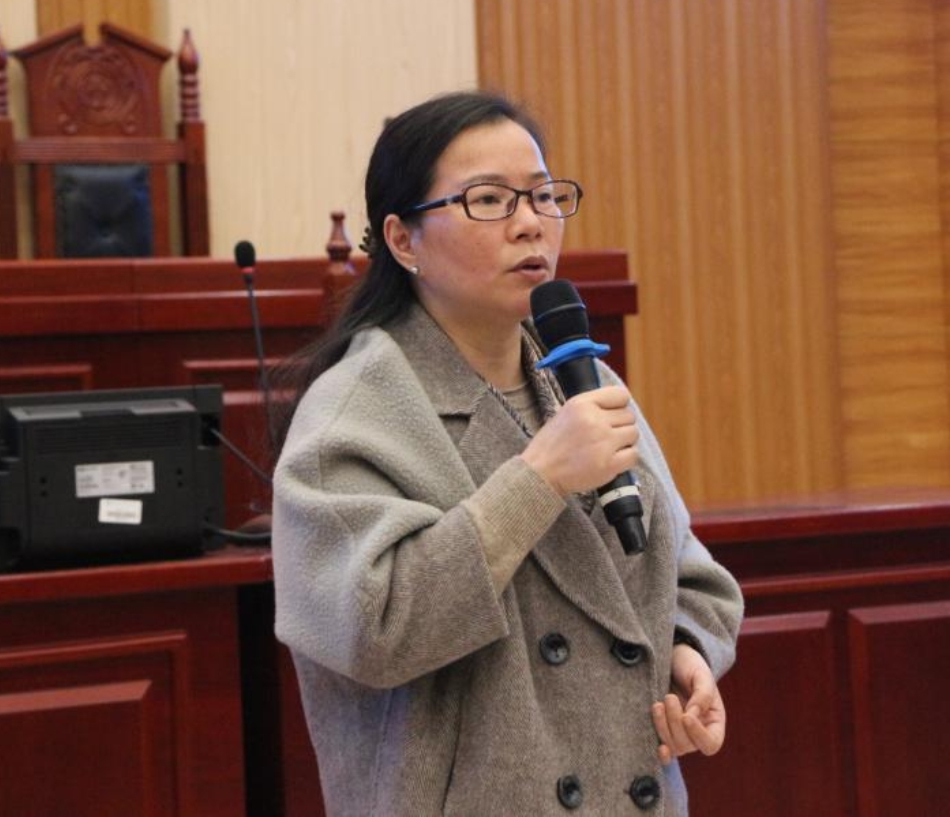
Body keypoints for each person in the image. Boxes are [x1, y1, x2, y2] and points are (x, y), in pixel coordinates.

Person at [271, 91, 743, 815]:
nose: (530, 223)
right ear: (403, 241)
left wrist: (686, 652)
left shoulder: (584, 379)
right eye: (488, 200)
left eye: (544, 196)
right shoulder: (352, 413)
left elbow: (689, 573)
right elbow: (375, 630)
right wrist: (538, 478)